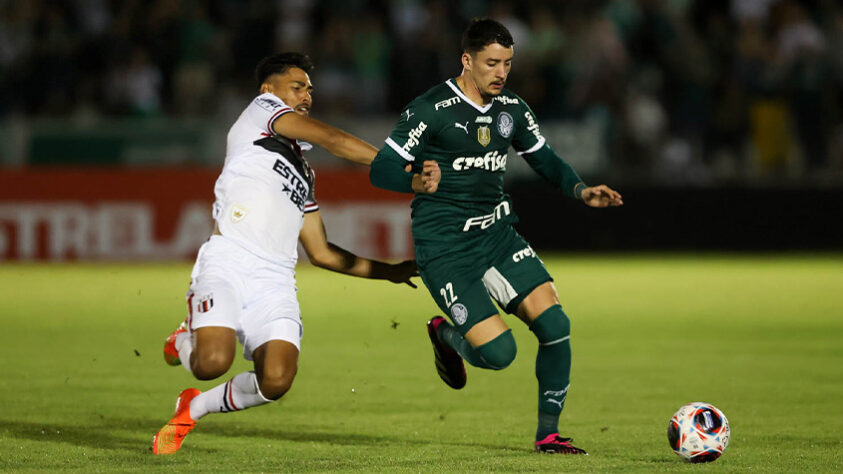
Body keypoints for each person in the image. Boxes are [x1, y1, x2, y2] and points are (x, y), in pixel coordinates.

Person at [152, 52, 441, 455]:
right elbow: (335, 139)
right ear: (268, 89)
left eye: (310, 89)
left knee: (276, 381)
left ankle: (192, 408)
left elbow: (320, 252)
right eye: (298, 86)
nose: (307, 95)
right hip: (230, 259)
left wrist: (388, 272)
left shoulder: (304, 172)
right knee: (211, 363)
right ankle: (184, 339)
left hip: (276, 281)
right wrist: (405, 169)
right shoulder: (261, 112)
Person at [369, 19, 623, 454]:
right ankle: (445, 335)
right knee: (500, 355)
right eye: (491, 63)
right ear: (466, 61)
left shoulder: (512, 109)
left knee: (556, 326)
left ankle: (548, 434)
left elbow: (544, 157)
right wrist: (414, 181)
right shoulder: (430, 109)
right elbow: (381, 169)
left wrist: (580, 189)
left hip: (498, 237)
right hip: (446, 249)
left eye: (507, 63)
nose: (500, 72)